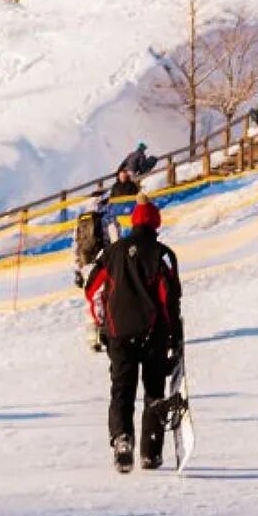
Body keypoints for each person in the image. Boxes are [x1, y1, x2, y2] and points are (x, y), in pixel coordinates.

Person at [83, 197, 184, 472]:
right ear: (156, 223)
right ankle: (151, 452)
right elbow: (169, 298)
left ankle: (122, 439)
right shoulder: (162, 254)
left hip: (119, 333)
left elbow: (92, 289)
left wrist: (102, 322)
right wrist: (175, 335)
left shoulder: (112, 252)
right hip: (153, 333)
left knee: (122, 389)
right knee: (154, 391)